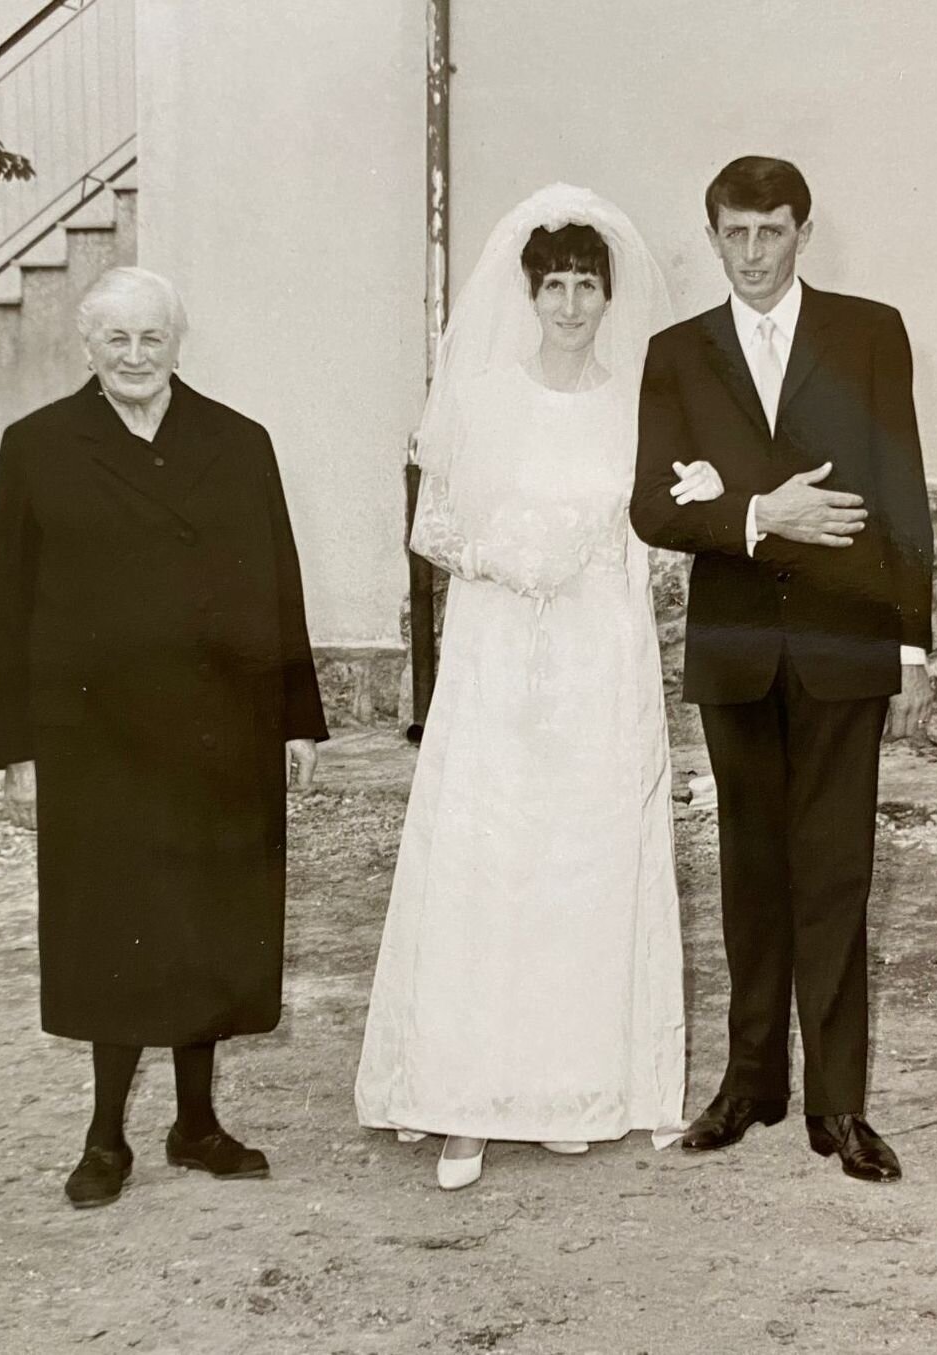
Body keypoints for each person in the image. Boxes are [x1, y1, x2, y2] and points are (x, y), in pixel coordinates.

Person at [356, 185, 686, 1190]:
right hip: (503, 648)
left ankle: (566, 1084)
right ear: (530, 293)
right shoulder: (487, 395)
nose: (574, 304)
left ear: (609, 295)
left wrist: (595, 554)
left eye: (590, 284)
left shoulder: (638, 402)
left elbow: (661, 537)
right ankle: (464, 1100)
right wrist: (504, 556)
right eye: (557, 285)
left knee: (583, 855)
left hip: (596, 650)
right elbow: (436, 524)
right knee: (489, 856)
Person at [0, 266, 328, 1209]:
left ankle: (198, 1123)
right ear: (86, 347)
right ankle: (103, 1137)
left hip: (223, 730)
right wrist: (17, 751)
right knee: (112, 926)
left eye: (152, 339)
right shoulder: (39, 444)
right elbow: (6, 610)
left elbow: (277, 583)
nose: (135, 357)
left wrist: (297, 718)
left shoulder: (238, 442)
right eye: (116, 341)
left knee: (211, 918)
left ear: (178, 343)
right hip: (95, 738)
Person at [630, 156, 933, 1184]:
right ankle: (749, 1079)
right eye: (735, 234)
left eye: (773, 232)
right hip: (737, 651)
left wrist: (912, 641)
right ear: (711, 236)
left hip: (848, 643)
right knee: (750, 872)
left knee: (838, 870)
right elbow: (653, 506)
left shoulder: (868, 331)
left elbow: (900, 490)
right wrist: (762, 516)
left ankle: (837, 1102)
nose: (754, 254)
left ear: (803, 230)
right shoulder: (677, 353)